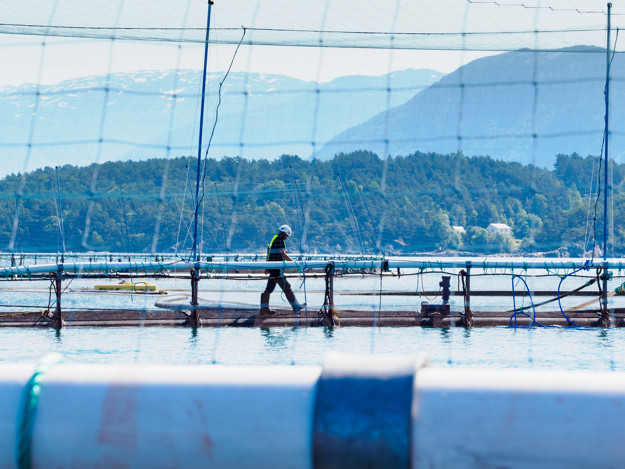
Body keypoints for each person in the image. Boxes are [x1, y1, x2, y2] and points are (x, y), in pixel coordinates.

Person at [259, 224, 303, 315]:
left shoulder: (275, 238)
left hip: (273, 267)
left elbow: (270, 254)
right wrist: (293, 263)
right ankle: (296, 307)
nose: (287, 237)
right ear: (284, 234)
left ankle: (264, 310)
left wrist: (268, 266)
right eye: (287, 235)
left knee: (269, 289)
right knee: (287, 287)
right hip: (276, 269)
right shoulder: (280, 240)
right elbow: (283, 254)